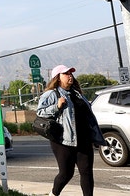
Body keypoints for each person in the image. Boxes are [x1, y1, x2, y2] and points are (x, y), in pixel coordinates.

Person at [36, 65, 104, 196]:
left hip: (83, 139)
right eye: (66, 74)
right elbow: (40, 112)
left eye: (70, 73)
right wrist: (56, 106)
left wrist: (94, 136)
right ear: (57, 77)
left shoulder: (78, 94)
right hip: (63, 141)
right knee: (66, 173)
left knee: (87, 172)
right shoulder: (51, 94)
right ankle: (54, 193)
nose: (70, 76)